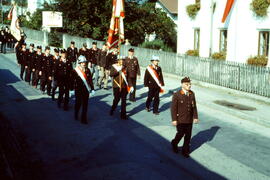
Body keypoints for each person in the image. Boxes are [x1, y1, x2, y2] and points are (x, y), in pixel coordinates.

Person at [170, 77, 199, 158]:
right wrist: (174, 119)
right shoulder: (177, 95)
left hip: (189, 119)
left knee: (188, 136)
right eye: (187, 84)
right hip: (181, 120)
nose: (189, 86)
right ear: (182, 85)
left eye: (190, 84)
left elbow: (194, 106)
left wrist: (195, 117)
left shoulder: (192, 93)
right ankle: (174, 143)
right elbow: (173, 108)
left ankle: (185, 150)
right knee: (180, 134)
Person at [71, 55, 95, 124]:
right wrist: (71, 89)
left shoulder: (88, 70)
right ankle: (76, 113)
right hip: (78, 89)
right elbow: (72, 81)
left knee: (85, 104)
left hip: (86, 90)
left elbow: (90, 80)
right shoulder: (75, 71)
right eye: (82, 62)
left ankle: (83, 119)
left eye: (84, 62)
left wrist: (92, 89)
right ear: (79, 63)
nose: (84, 64)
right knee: (78, 103)